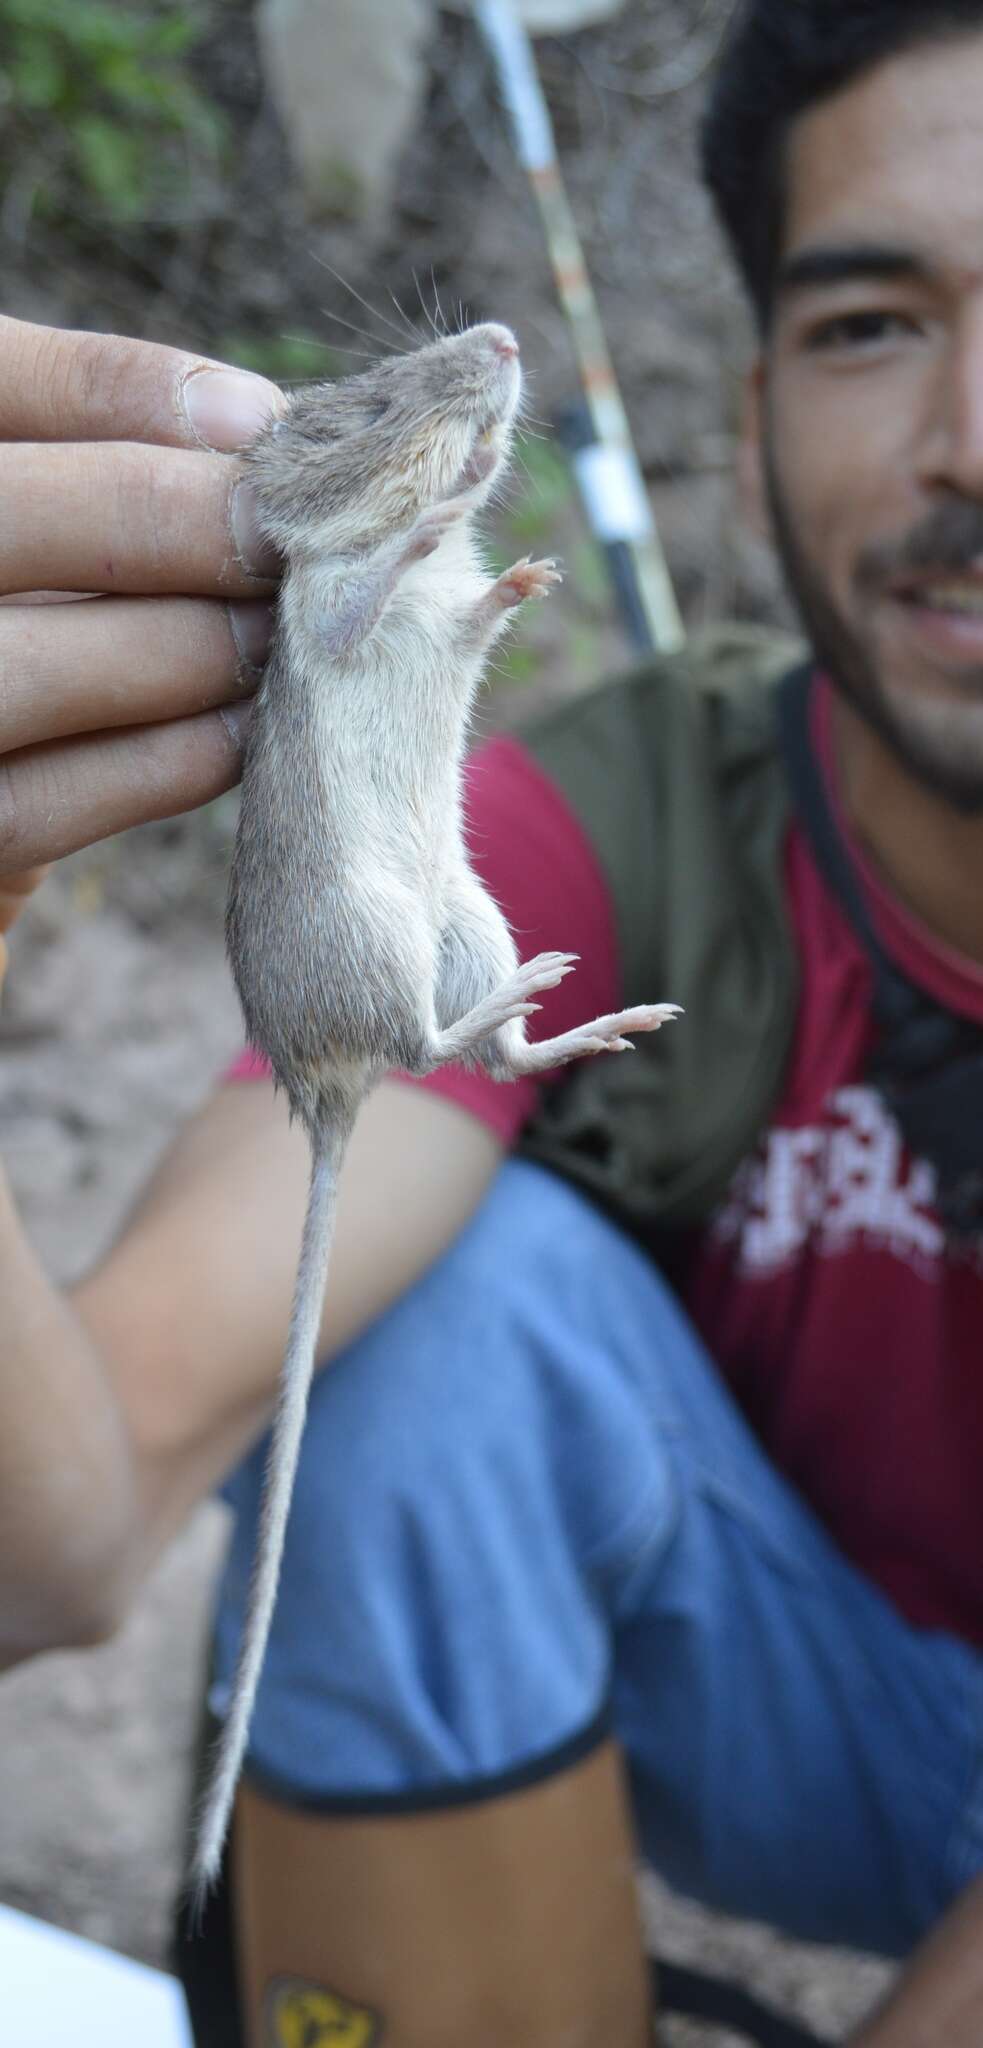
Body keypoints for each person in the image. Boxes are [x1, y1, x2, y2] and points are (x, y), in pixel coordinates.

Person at [5, 2, 983, 2040]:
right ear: (750, 414)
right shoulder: (619, 824)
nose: (973, 436)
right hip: (827, 1711)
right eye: (875, 320)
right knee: (425, 1331)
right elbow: (62, 1545)